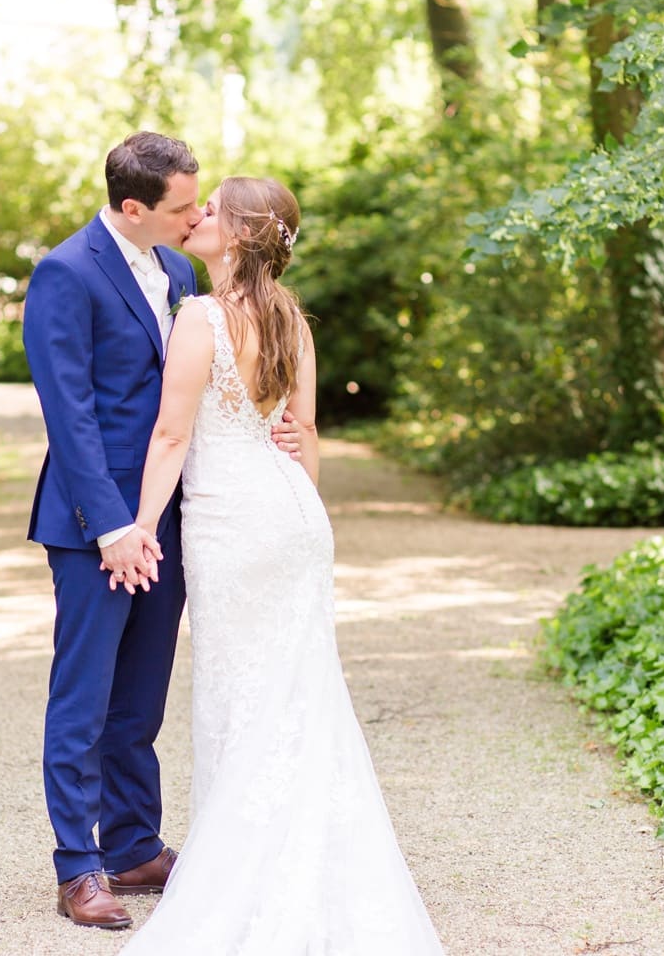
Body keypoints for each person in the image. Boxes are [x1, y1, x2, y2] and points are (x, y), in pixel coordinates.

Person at [114, 177, 445, 954]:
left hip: (233, 524)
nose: (197, 218)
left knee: (241, 690)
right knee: (297, 689)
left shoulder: (200, 317)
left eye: (211, 211)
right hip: (295, 518)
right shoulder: (292, 318)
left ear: (237, 234)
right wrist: (297, 499)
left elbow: (170, 437)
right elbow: (305, 433)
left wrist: (140, 525)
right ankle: (308, 853)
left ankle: (247, 866)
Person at [22, 135, 301, 930]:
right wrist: (111, 525)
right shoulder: (65, 274)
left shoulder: (179, 272)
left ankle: (136, 844)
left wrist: (273, 430)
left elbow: (200, 394)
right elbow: (69, 413)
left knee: (140, 699)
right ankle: (79, 868)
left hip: (170, 518)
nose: (198, 215)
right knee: (83, 698)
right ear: (133, 206)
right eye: (184, 206)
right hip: (95, 527)